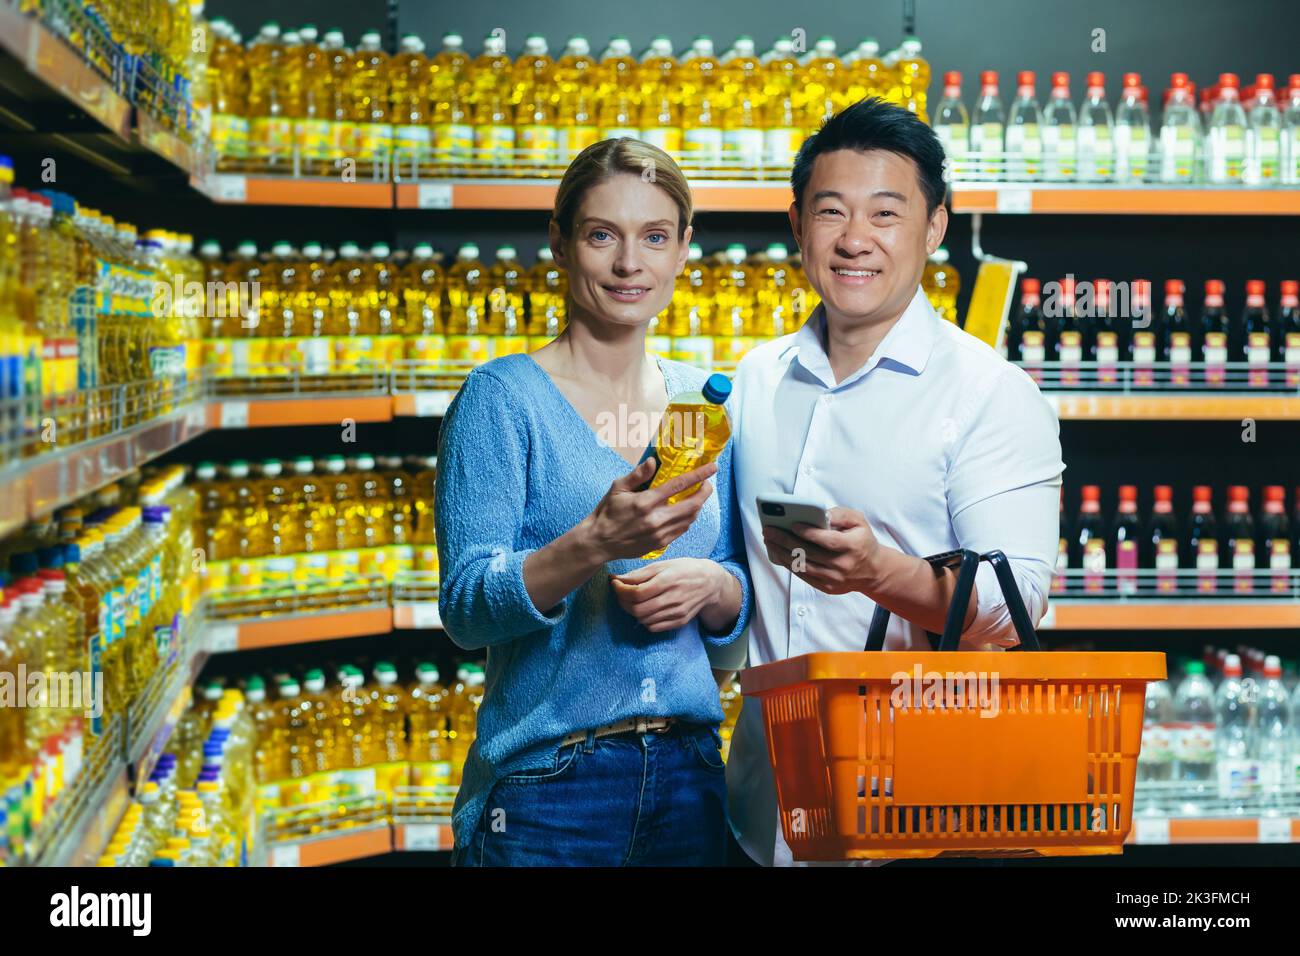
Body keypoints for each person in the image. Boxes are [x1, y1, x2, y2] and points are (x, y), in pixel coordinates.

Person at [713, 98, 1065, 867]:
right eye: (831, 211)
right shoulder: (756, 379)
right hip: (763, 805)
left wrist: (880, 572)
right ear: (798, 224)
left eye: (885, 212)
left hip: (926, 811)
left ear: (934, 227)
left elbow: (1018, 602)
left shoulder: (988, 393)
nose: (854, 240)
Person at [437, 138, 752, 866]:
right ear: (560, 243)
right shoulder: (501, 399)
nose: (628, 263)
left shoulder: (700, 402)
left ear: (682, 251)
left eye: (654, 237)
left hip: (692, 778)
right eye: (602, 235)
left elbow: (735, 603)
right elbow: (464, 609)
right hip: (550, 789)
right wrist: (593, 544)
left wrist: (713, 587)